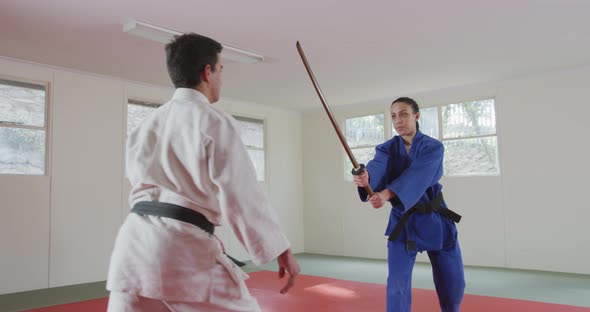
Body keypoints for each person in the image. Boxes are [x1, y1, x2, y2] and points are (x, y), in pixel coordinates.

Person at [106, 33, 300, 312]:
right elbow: (242, 195)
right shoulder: (213, 120)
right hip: (180, 251)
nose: (221, 77)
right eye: (221, 70)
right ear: (207, 72)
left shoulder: (145, 124)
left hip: (133, 248)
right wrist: (281, 249)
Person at [353, 97, 465, 312]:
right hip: (403, 223)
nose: (398, 120)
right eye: (394, 115)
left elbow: (417, 176)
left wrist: (385, 194)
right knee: (397, 286)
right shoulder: (386, 148)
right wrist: (366, 177)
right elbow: (378, 167)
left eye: (403, 114)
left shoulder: (433, 147)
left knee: (454, 285)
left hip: (436, 220)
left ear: (416, 116)